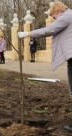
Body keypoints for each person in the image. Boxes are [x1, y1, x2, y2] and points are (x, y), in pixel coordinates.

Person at [18, 1, 72, 132]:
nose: (53, 18)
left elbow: (49, 29)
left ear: (58, 11)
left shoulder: (66, 16)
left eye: (53, 16)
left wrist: (28, 34)